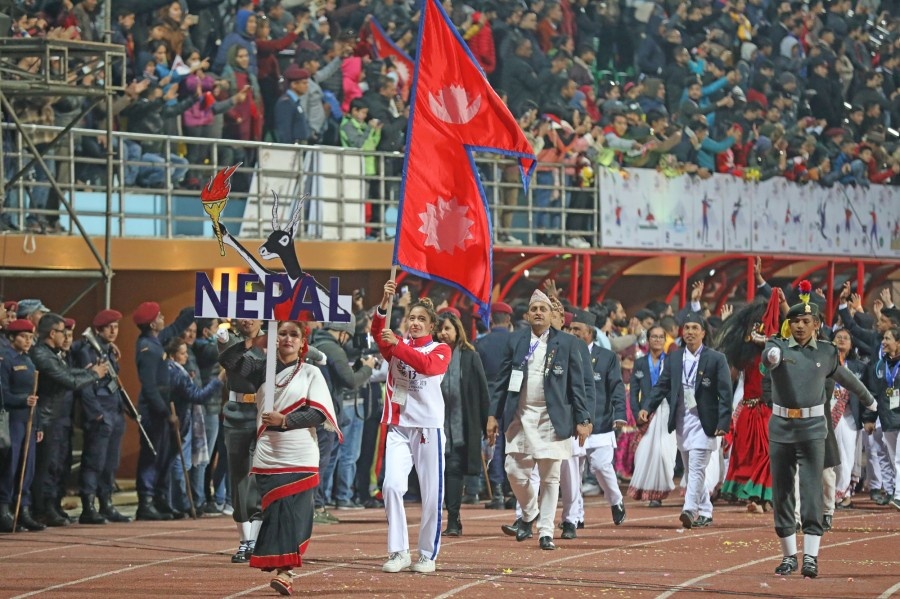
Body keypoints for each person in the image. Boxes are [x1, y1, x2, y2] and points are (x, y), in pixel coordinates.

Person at [218, 319, 339, 595]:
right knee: (275, 512)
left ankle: (286, 572)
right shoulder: (263, 369)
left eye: (293, 334)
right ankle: (284, 569)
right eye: (282, 333)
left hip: (301, 453)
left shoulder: (311, 373)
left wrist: (284, 420)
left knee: (295, 515)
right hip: (269, 454)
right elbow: (228, 359)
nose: (287, 338)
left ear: (302, 341)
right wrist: (252, 342)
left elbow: (319, 414)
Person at [762, 296, 877, 578]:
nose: (799, 326)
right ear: (789, 324)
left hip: (813, 429)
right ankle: (789, 555)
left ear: (816, 324)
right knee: (783, 492)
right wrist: (771, 357)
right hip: (782, 428)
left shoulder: (826, 352)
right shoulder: (776, 346)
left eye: (805, 322)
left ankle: (811, 556)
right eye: (795, 321)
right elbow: (767, 361)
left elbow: (846, 378)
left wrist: (870, 401)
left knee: (812, 490)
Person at [487, 288, 592, 551]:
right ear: (527, 315)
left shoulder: (566, 343)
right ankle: (530, 512)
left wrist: (583, 419)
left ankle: (546, 532)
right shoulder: (516, 341)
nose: (538, 313)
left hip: (552, 418)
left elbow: (577, 386)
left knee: (550, 478)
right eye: (534, 309)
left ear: (550, 315)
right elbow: (501, 381)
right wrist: (492, 414)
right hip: (520, 416)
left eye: (542, 309)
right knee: (514, 471)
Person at [373, 280, 451, 574]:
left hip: (429, 429)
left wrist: (398, 346)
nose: (415, 323)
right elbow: (377, 335)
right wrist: (384, 302)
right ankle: (399, 551)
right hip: (399, 427)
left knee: (432, 494)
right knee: (391, 485)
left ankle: (427, 554)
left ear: (431, 324)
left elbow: (428, 366)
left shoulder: (441, 349)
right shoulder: (396, 345)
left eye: (421, 319)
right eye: (412, 318)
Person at [638, 312, 732, 529]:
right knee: (691, 469)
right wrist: (647, 408)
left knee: (698, 467)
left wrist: (723, 423)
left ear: (703, 333)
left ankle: (689, 509)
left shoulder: (716, 359)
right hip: (682, 419)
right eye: (686, 327)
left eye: (694, 328)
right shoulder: (674, 358)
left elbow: (725, 393)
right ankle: (706, 511)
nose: (689, 331)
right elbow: (662, 385)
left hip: (705, 421)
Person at [29, 313, 107, 526]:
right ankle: (42, 508)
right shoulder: (41, 355)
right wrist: (94, 375)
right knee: (47, 467)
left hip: (60, 418)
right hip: (47, 419)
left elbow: (70, 373)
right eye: (63, 332)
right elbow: (68, 380)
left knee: (59, 466)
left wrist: (85, 372)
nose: (66, 336)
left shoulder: (53, 354)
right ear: (52, 333)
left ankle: (53, 506)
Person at [563, 309, 626, 537]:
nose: (573, 333)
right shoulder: (564, 353)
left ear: (589, 332)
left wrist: (620, 413)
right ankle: (575, 517)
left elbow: (617, 388)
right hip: (573, 424)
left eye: (577, 330)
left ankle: (616, 500)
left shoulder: (607, 358)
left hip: (600, 422)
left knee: (600, 466)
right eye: (571, 329)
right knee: (573, 474)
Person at [133, 302, 196, 521]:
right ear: (152, 323)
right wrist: (165, 411)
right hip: (153, 411)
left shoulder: (155, 340)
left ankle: (159, 499)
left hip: (161, 408)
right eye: (159, 316)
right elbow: (149, 387)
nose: (162, 319)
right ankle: (146, 502)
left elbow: (177, 326)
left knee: (164, 457)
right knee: (152, 456)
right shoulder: (148, 349)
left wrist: (199, 307)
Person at [73, 309, 132, 524]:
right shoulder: (88, 350)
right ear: (98, 329)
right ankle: (88, 506)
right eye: (109, 327)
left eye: (116, 327)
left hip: (114, 411)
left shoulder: (107, 350)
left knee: (110, 462)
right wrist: (96, 414)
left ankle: (106, 503)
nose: (114, 331)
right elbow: (87, 386)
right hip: (100, 413)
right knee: (94, 462)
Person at [435, 312, 490, 537]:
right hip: (436, 424)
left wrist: (488, 421)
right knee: (441, 473)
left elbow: (482, 390)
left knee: (453, 469)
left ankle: (453, 518)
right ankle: (444, 517)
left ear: (457, 330)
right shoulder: (431, 355)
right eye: (440, 329)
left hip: (461, 426)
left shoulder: (469, 356)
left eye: (448, 328)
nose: (443, 333)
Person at [718, 300, 774, 513]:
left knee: (768, 454)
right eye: (754, 324)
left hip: (769, 411)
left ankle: (764, 496)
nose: (758, 328)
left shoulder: (776, 351)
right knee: (748, 456)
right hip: (749, 411)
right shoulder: (745, 354)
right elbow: (731, 374)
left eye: (762, 323)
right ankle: (757, 497)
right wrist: (730, 337)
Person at [220, 318, 265, 562]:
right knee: (239, 478)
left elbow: (298, 348)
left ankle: (256, 539)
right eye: (243, 315)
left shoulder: (274, 337)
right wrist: (222, 333)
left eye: (253, 314)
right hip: (237, 414)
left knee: (260, 478)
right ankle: (245, 540)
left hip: (264, 413)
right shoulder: (230, 340)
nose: (247, 319)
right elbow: (224, 346)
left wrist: (318, 356)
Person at [165, 336, 225, 517]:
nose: (186, 357)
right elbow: (198, 395)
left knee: (183, 462)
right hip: (181, 420)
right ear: (173, 355)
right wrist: (218, 380)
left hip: (187, 419)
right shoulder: (175, 372)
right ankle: (180, 502)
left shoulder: (178, 370)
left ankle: (182, 501)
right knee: (178, 462)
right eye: (182, 354)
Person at [0, 319, 45, 532]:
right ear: (12, 337)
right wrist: (21, 400)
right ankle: (5, 511)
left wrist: (39, 425)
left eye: (30, 337)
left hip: (29, 421)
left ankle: (24, 510)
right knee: (12, 466)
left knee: (28, 468)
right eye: (23, 337)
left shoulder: (29, 361)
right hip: (13, 420)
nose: (28, 341)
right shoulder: (6, 360)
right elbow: (3, 394)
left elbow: (37, 397)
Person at [627, 325, 676, 507]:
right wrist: (636, 413)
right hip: (646, 414)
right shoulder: (640, 363)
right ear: (648, 340)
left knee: (664, 453)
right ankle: (648, 492)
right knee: (643, 453)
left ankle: (660, 492)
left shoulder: (671, 361)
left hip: (667, 411)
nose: (657, 340)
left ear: (665, 340)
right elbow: (633, 392)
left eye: (660, 337)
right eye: (653, 337)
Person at [475, 301, 516, 510]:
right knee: (514, 446)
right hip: (513, 399)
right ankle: (514, 491)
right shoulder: (516, 341)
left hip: (490, 400)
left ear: (491, 320)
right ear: (508, 320)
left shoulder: (481, 344)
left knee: (494, 445)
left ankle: (497, 491)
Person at [831, 328, 871, 509]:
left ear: (851, 344)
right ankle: (828, 492)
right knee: (829, 457)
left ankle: (843, 493)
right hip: (826, 415)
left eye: (846, 338)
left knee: (846, 456)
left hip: (849, 417)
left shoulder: (858, 367)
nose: (841, 340)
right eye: (838, 337)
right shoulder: (824, 364)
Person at [866, 326, 900, 512]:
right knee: (894, 457)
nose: (884, 342)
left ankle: (898, 495)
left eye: (888, 338)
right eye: (883, 338)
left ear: (899, 342)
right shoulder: (879, 366)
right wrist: (869, 418)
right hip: (888, 418)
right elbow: (873, 394)